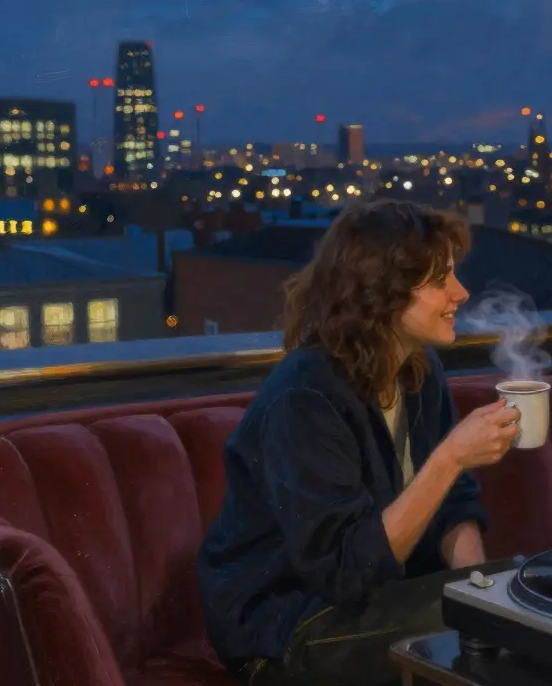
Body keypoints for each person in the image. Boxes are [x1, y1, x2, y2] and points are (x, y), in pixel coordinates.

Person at [198, 199, 521, 686]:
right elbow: (345, 571)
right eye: (439, 281)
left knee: (521, 599)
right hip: (284, 629)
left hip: (377, 602)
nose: (461, 292)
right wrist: (450, 458)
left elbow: (455, 505)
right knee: (492, 628)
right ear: (383, 294)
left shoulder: (419, 368)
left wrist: (478, 589)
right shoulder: (306, 397)